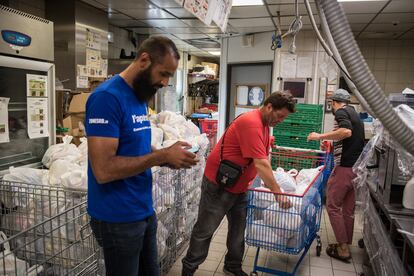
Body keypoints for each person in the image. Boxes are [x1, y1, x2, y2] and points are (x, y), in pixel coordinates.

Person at [85, 36, 198, 276]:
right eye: (164, 74)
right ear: (144, 60)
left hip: (143, 211)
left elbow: (137, 148)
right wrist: (160, 157)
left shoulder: (138, 98)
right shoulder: (107, 98)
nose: (166, 82)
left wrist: (165, 155)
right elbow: (103, 170)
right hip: (117, 217)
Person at [182, 91, 296, 276]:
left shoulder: (265, 124)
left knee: (238, 230)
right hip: (219, 185)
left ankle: (232, 266)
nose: (281, 120)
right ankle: (189, 268)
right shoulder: (251, 122)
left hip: (240, 185)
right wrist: (278, 192)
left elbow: (258, 154)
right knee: (205, 229)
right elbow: (261, 163)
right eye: (280, 115)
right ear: (269, 107)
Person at [307, 89, 364, 263]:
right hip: (357, 169)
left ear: (334, 103)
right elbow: (349, 138)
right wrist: (332, 145)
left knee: (332, 205)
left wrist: (320, 136)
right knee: (347, 209)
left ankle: (343, 248)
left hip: (344, 169)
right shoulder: (354, 113)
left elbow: (346, 132)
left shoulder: (341, 112)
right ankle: (345, 243)